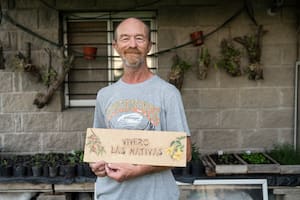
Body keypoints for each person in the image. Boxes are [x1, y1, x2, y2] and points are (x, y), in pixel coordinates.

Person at [89, 17, 192, 200]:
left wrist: (138, 170)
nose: (132, 44)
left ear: (149, 45)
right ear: (115, 45)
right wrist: (96, 165)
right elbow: (98, 148)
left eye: (139, 38)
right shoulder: (104, 95)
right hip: (111, 195)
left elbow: (184, 152)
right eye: (125, 38)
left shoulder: (167, 93)